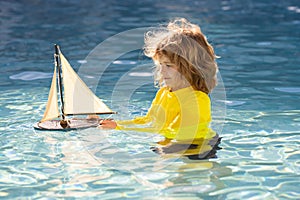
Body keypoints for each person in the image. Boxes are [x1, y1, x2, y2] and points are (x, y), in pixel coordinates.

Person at [99, 18, 221, 159]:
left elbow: (181, 135)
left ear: (190, 67)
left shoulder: (197, 100)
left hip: (199, 146)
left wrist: (163, 150)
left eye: (168, 66)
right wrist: (118, 125)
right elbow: (150, 121)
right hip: (175, 141)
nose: (162, 72)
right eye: (160, 65)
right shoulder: (164, 93)